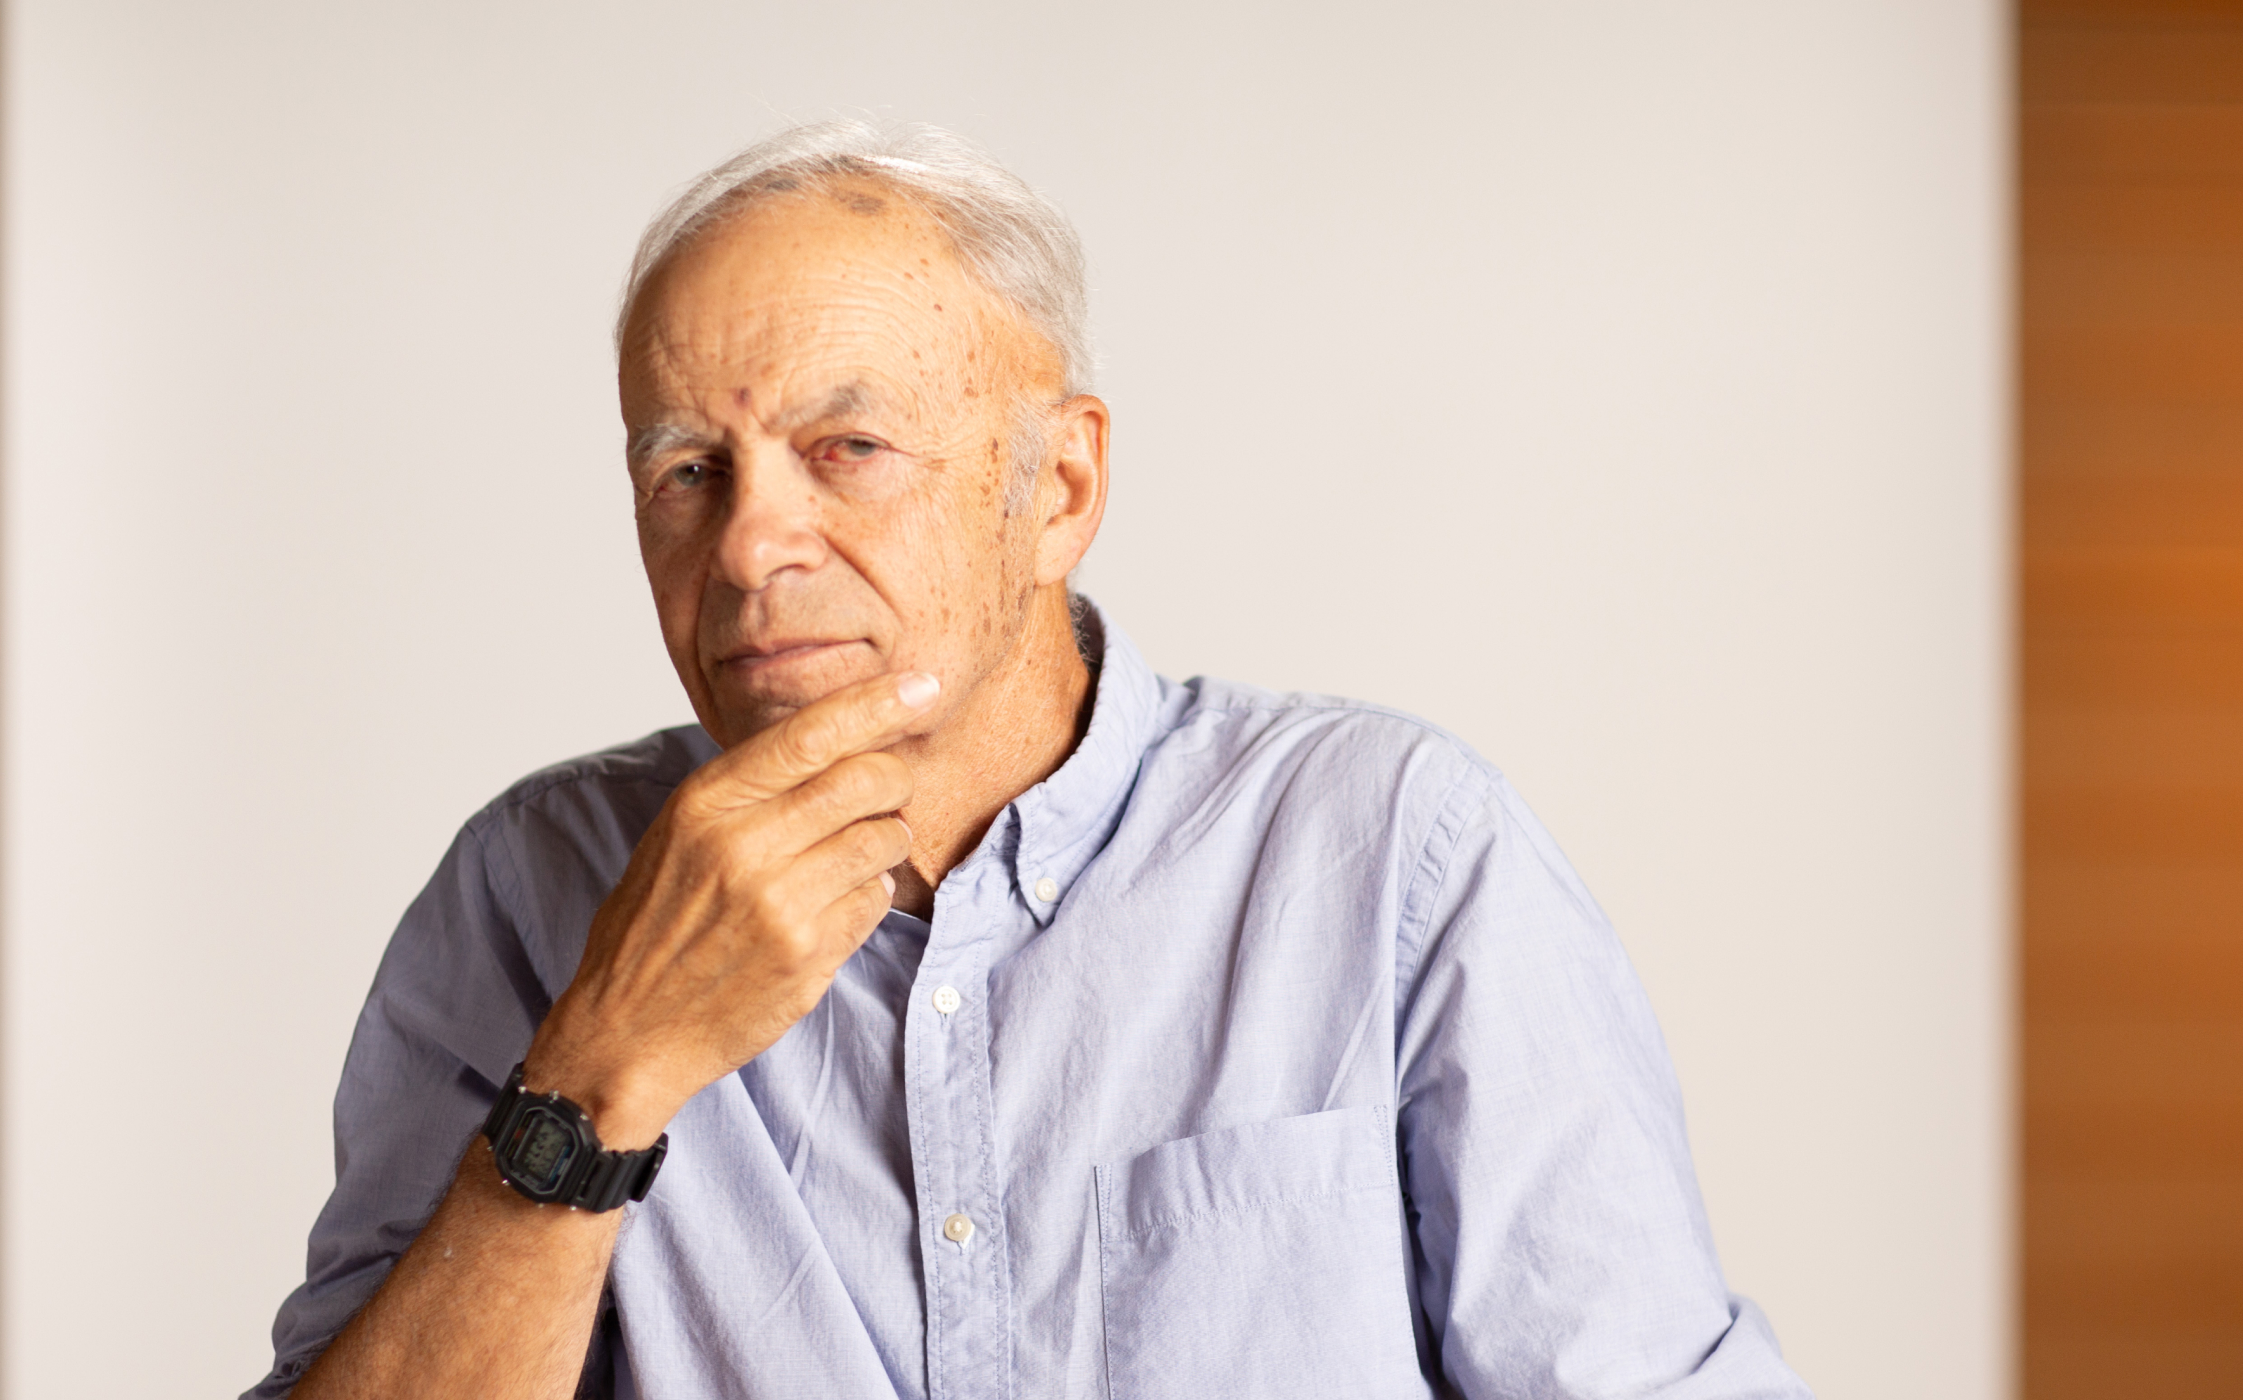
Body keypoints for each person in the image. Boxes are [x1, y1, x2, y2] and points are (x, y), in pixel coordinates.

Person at [249, 121, 1812, 1400]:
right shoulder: (529, 897)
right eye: (687, 470)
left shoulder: (1396, 853)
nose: (748, 547)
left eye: (845, 450)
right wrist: (602, 1070)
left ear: (1058, 487)